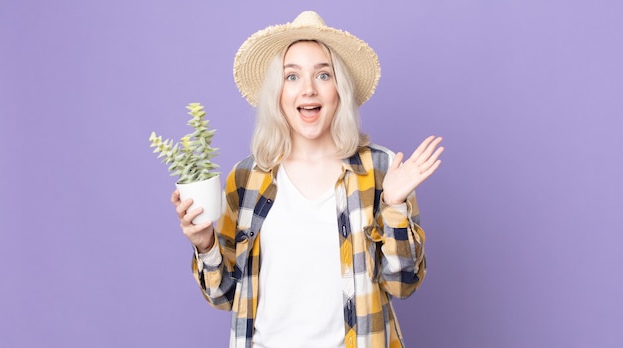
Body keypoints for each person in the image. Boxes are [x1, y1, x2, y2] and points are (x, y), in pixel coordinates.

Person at [171, 10, 444, 348]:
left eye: (323, 75)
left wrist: (394, 205)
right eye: (292, 76)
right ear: (278, 93)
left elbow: (403, 284)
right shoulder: (246, 179)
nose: (309, 90)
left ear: (339, 89)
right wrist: (205, 244)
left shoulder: (382, 170)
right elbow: (224, 296)